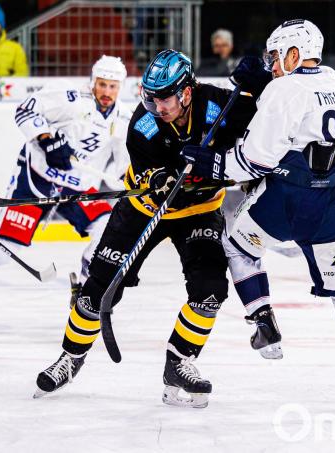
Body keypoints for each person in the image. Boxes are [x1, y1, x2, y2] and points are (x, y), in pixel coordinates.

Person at [182, 19, 335, 408]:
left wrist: (210, 163)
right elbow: (300, 102)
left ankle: (263, 320)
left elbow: (253, 160)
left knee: (236, 247)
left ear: (294, 54)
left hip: (291, 199)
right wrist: (264, 85)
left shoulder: (285, 88)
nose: (272, 64)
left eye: (276, 57)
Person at [33, 50, 263, 408]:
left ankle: (179, 362)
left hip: (199, 211)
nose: (156, 107)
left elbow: (266, 120)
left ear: (186, 93)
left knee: (210, 292)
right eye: (150, 99)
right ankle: (71, 356)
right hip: (144, 210)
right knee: (99, 287)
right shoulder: (143, 123)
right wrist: (157, 178)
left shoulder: (220, 104)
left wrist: (259, 85)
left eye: (164, 99)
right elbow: (145, 166)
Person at [0, 55, 132, 323]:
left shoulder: (125, 119)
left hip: (78, 189)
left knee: (107, 231)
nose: (106, 92)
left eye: (112, 87)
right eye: (102, 84)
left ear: (121, 87)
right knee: (2, 248)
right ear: (93, 82)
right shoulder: (69, 98)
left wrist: (133, 181)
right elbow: (26, 109)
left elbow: (124, 165)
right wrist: (46, 140)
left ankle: (85, 292)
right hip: (36, 180)